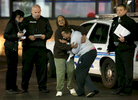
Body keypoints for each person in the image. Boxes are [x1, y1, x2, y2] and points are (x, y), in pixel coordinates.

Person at [21, 4, 53, 93]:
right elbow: (21, 32)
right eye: (35, 12)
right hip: (29, 48)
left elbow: (50, 31)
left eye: (39, 12)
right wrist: (28, 37)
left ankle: (42, 87)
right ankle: (24, 87)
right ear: (31, 11)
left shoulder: (44, 20)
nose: (37, 14)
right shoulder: (26, 20)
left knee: (42, 69)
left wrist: (45, 36)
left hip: (41, 48)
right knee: (27, 68)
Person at [60, 26, 99, 98]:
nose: (64, 37)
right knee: (82, 72)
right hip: (91, 52)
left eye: (64, 36)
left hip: (87, 53)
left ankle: (89, 90)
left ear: (68, 33)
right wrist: (70, 44)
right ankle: (83, 91)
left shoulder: (74, 38)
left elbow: (75, 51)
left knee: (79, 71)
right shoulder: (76, 33)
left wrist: (68, 46)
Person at [54, 15, 87, 97]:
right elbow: (59, 45)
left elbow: (82, 28)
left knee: (71, 71)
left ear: (65, 20)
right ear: (57, 23)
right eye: (59, 20)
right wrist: (70, 46)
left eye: (62, 19)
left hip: (70, 55)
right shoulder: (58, 32)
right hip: (59, 55)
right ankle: (59, 90)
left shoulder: (70, 28)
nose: (61, 21)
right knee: (60, 73)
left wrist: (84, 35)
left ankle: (71, 87)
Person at [107, 4, 136, 96]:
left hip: (127, 48)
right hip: (118, 49)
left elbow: (136, 34)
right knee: (120, 70)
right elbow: (111, 36)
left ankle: (127, 90)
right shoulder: (115, 21)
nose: (118, 11)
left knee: (128, 70)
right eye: (117, 10)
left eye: (120, 10)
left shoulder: (130, 22)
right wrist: (109, 47)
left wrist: (126, 39)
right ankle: (120, 88)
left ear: (125, 11)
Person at [3, 10, 24, 94]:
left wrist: (19, 37)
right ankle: (9, 87)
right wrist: (16, 36)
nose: (23, 19)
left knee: (14, 69)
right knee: (11, 69)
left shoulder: (16, 24)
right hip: (9, 48)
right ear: (19, 16)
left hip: (14, 48)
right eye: (22, 17)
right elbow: (5, 35)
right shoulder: (11, 23)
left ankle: (14, 87)